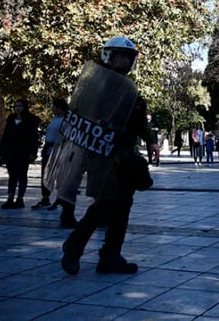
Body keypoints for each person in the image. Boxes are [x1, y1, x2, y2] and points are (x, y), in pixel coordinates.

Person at [60, 36, 159, 275]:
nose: (124, 60)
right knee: (105, 204)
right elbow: (83, 114)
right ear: (109, 56)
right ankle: (73, 247)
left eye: (128, 56)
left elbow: (139, 122)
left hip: (125, 154)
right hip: (104, 154)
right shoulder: (98, 87)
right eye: (120, 55)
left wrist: (152, 141)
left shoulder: (132, 92)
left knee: (123, 205)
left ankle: (110, 256)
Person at [0, 99, 41, 209]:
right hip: (10, 152)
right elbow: (5, 136)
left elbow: (34, 138)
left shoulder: (30, 120)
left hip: (23, 152)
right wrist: (1, 151)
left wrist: (33, 153)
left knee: (22, 175)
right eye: (16, 106)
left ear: (24, 107)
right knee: (12, 175)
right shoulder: (11, 119)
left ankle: (20, 199)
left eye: (20, 106)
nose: (17, 108)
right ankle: (10, 198)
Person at [32, 98, 68, 209]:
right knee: (46, 172)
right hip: (48, 148)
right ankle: (45, 198)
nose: (52, 108)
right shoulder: (54, 119)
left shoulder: (66, 121)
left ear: (59, 108)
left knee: (59, 174)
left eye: (54, 106)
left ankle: (60, 198)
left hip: (59, 149)